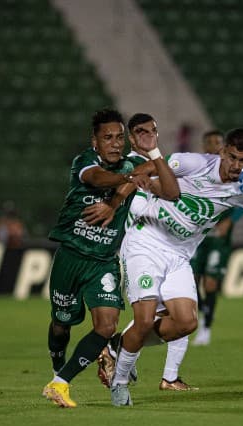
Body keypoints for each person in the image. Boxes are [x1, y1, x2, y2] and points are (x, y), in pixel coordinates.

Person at [85, 128, 243, 407]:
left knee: (186, 322)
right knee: (145, 319)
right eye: (231, 157)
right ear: (222, 151)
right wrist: (117, 201)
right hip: (145, 243)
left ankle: (116, 347)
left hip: (179, 255)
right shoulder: (194, 164)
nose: (236, 165)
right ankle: (119, 383)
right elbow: (144, 168)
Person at [41, 109, 179, 408]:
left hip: (103, 260)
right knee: (61, 324)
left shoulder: (134, 163)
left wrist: (153, 154)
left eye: (119, 137)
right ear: (95, 141)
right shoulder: (85, 162)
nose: (115, 144)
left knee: (106, 326)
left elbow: (171, 191)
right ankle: (57, 367)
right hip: (71, 256)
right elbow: (96, 178)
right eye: (107, 138)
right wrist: (129, 180)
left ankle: (60, 383)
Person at [95, 113, 197, 391]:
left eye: (150, 130)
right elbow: (135, 182)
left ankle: (157, 368)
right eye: (139, 131)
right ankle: (127, 352)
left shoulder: (164, 163)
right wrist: (114, 204)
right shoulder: (133, 164)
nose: (145, 135)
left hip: (172, 248)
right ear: (131, 136)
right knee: (146, 319)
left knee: (182, 318)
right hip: (143, 250)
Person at [190, 130, 243, 346]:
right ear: (204, 146)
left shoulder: (234, 174)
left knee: (211, 283)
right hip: (197, 237)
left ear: (224, 148)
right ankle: (202, 310)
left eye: (218, 143)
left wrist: (230, 221)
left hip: (218, 239)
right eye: (210, 142)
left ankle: (206, 326)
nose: (214, 146)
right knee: (192, 281)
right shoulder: (200, 169)